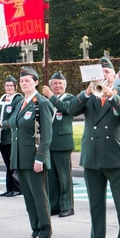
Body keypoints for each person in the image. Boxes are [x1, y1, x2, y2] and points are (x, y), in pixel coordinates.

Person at [68, 57, 120, 238]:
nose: (103, 76)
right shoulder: (89, 95)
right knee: (95, 204)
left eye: (107, 73)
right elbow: (71, 110)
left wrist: (112, 95)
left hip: (114, 154)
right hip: (92, 156)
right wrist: (86, 92)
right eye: (100, 73)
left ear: (113, 76)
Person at [7, 67, 54, 238]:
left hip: (34, 158)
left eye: (27, 80)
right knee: (29, 198)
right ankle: (35, 230)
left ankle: (45, 232)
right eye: (22, 81)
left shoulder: (41, 103)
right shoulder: (21, 103)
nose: (24, 83)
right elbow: (14, 126)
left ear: (36, 82)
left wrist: (40, 158)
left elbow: (47, 135)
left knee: (39, 197)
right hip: (21, 158)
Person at [42, 71, 75, 218]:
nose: (58, 86)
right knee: (51, 178)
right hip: (48, 143)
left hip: (63, 143)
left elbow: (65, 108)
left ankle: (67, 206)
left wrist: (51, 96)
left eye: (60, 83)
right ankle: (54, 205)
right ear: (50, 85)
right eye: (55, 83)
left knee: (64, 177)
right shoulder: (45, 100)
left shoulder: (70, 98)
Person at [0, 76, 23, 197]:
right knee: (7, 164)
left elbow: (16, 116)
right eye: (7, 85)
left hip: (11, 136)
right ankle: (9, 187)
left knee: (13, 163)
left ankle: (17, 187)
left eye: (11, 85)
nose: (8, 88)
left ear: (15, 87)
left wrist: (3, 124)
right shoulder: (3, 99)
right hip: (1, 137)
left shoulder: (18, 99)